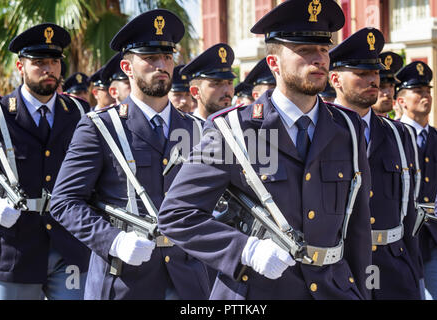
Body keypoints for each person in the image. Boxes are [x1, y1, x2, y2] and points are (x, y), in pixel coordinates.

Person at [158, 0, 372, 300]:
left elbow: (358, 229)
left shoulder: (347, 128)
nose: (319, 59)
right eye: (304, 51)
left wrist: (363, 293)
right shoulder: (234, 131)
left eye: (323, 50)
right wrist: (245, 249)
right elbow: (177, 215)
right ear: (274, 64)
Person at [49, 9, 210, 300]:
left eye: (167, 57)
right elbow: (64, 202)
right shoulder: (99, 127)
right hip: (125, 281)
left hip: (188, 280)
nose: (161, 65)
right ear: (127, 67)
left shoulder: (199, 130)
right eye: (150, 58)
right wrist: (113, 240)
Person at [0, 23, 91, 300]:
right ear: (20, 67)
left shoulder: (78, 111)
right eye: (39, 62)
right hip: (16, 248)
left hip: (70, 245)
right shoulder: (2, 113)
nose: (49, 69)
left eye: (54, 61)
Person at [329, 27, 421, 300]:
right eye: (361, 73)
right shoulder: (320, 131)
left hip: (392, 266)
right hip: (339, 267)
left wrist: (414, 270)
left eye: (375, 73)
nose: (374, 81)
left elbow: (410, 210)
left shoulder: (398, 133)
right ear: (335, 79)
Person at [397, 61, 437, 300]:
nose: (425, 96)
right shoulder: (394, 134)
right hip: (405, 238)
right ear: (402, 101)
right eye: (418, 92)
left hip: (436, 237)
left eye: (427, 90)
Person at [181, 43, 236, 121]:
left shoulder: (241, 126)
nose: (227, 90)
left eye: (230, 83)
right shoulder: (185, 128)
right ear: (195, 92)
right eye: (217, 83)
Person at [371, 52, 403, 117]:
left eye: (391, 86)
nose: (388, 93)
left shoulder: (396, 127)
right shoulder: (357, 125)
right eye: (381, 86)